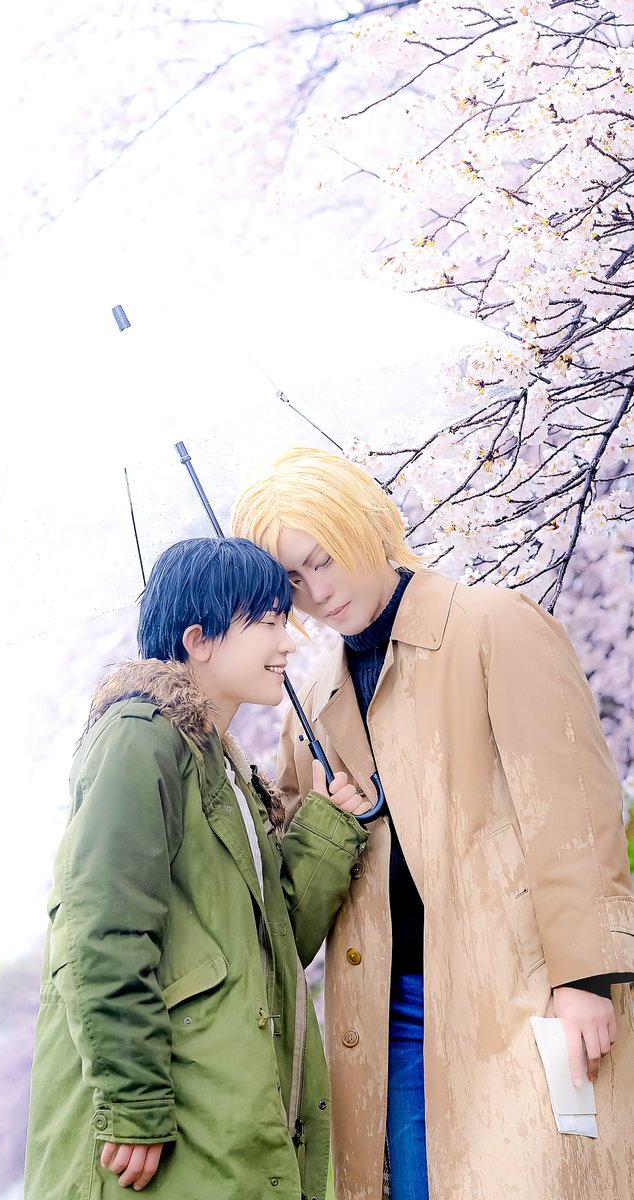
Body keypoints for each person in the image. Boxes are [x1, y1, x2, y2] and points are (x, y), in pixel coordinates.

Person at [231, 446, 634, 1200]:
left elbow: (573, 808)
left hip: (517, 992)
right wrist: (323, 820)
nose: (318, 591)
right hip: (385, 1019)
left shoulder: (492, 626)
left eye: (324, 558)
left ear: (367, 525)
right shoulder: (311, 703)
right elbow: (292, 879)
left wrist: (585, 976)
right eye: (292, 580)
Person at [23, 536, 373, 1200]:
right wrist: (133, 1103)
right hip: (160, 1135)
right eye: (267, 622)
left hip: (224, 1127)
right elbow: (98, 930)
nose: (288, 643)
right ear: (199, 640)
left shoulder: (223, 767)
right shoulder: (140, 736)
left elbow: (269, 952)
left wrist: (328, 832)